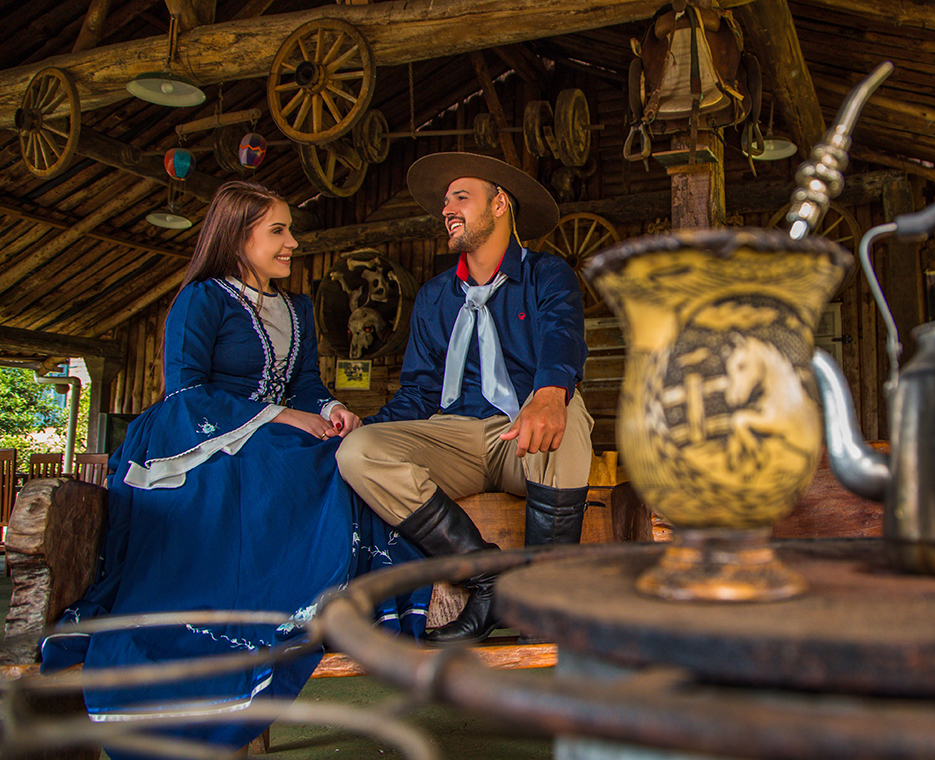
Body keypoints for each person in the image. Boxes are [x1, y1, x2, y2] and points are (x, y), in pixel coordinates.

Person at [40, 181, 430, 758]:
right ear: (237, 236)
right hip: (198, 438)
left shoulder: (295, 307)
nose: (293, 242)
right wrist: (285, 418)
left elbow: (307, 385)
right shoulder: (201, 298)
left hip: (279, 434)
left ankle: (348, 593)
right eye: (278, 231)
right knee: (293, 469)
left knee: (350, 455)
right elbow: (185, 390)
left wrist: (330, 408)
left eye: (289, 230)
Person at [337, 152, 593, 646]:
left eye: (461, 197)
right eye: (445, 201)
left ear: (499, 204)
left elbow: (563, 336)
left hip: (522, 432)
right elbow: (417, 392)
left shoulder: (547, 274)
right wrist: (362, 424)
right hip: (452, 434)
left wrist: (550, 391)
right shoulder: (435, 296)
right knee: (358, 452)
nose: (447, 209)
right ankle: (488, 578)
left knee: (566, 414)